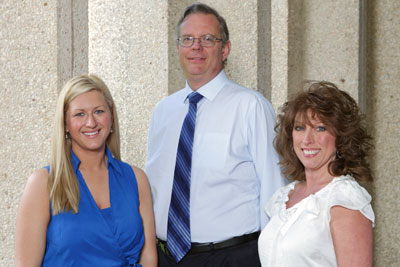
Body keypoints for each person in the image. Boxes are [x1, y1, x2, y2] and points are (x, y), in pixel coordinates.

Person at [145, 3, 286, 266]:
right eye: (188, 39)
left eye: (207, 39)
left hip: (231, 257)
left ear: (225, 49)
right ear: (178, 48)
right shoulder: (163, 111)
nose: (196, 47)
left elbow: (274, 190)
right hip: (165, 258)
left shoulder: (251, 106)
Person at [15, 74, 157, 266]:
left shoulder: (136, 179)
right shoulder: (44, 183)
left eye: (98, 111)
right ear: (65, 124)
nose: (91, 122)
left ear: (111, 117)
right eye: (79, 114)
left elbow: (148, 258)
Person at [258, 81, 375, 266]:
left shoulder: (344, 198)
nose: (307, 140)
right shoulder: (282, 197)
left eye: (320, 128)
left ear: (341, 137)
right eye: (299, 128)